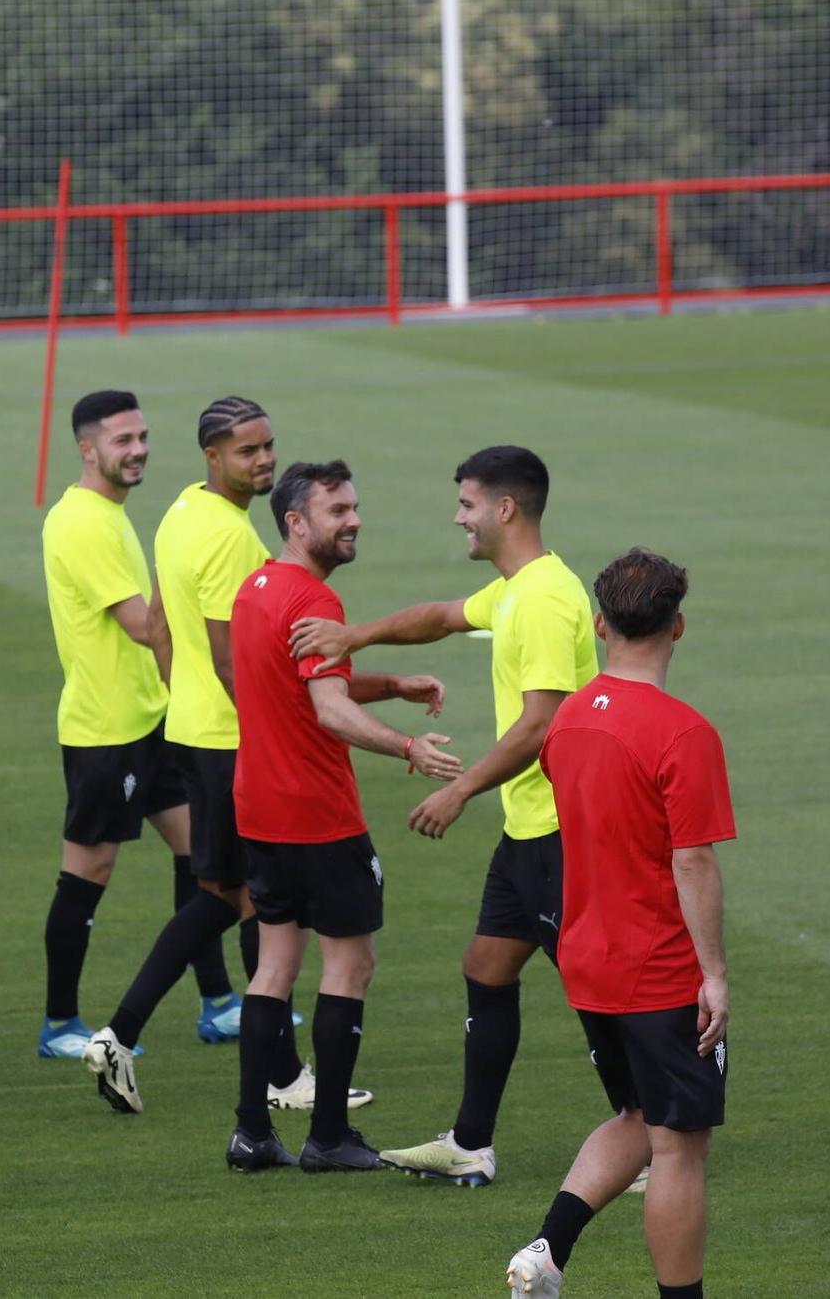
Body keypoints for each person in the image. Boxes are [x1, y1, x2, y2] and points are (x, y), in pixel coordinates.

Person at [287, 446, 598, 1186]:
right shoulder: (514, 590)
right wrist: (355, 635)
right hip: (528, 832)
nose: (457, 516)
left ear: (504, 508)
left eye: (465, 503)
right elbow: (441, 617)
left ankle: (652, 1136)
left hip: (567, 831)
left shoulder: (549, 599)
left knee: (598, 989)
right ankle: (470, 1140)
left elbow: (540, 725)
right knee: (485, 967)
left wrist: (460, 790)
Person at [83, 398, 357, 1116]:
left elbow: (162, 623)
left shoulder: (179, 511)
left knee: (233, 897)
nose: (264, 460)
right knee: (259, 903)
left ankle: (260, 1066)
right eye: (247, 451)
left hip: (196, 731)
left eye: (268, 447)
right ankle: (146, 1038)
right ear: (213, 455)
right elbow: (238, 661)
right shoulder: (235, 542)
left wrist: (181, 695)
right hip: (236, 740)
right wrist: (283, 736)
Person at [504, 548, 735, 1298]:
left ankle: (548, 1247)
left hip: (588, 959)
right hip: (659, 966)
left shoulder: (567, 719)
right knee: (678, 1147)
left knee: (638, 1115)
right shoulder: (683, 733)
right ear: (680, 626)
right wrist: (715, 976)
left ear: (600, 623)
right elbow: (691, 862)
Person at [221, 460, 459, 1174]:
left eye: (354, 507)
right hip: (319, 815)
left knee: (273, 967)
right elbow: (326, 708)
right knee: (350, 964)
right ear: (297, 521)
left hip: (259, 807)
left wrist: (388, 683)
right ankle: (327, 1136)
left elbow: (305, 683)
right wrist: (407, 746)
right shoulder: (315, 598)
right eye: (337, 510)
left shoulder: (256, 587)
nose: (353, 520)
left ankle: (251, 1132)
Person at [37, 390, 232, 1060]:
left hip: (152, 718)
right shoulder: (84, 523)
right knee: (89, 869)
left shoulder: (110, 513)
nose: (139, 449)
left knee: (200, 853)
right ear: (88, 449)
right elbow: (141, 624)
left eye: (143, 436)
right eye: (123, 440)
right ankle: (60, 1022)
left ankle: (218, 1001)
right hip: (106, 730)